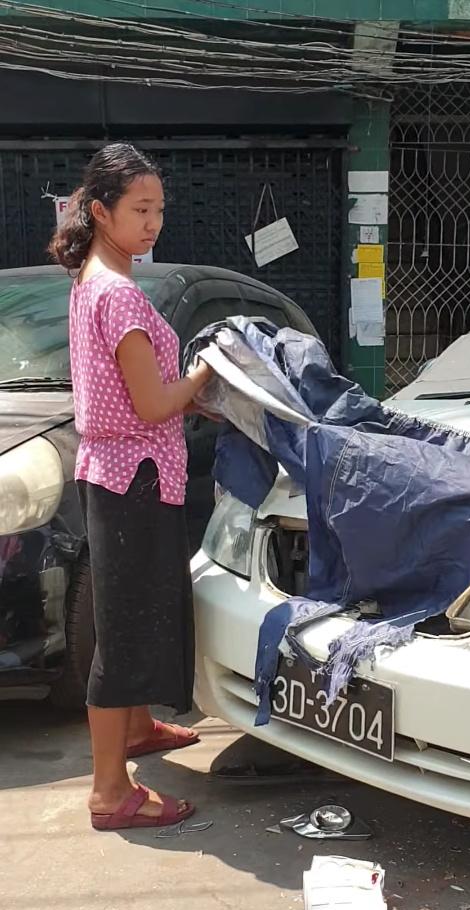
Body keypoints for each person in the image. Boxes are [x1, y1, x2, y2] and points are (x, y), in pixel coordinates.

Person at [49, 143, 212, 831]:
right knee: (121, 633)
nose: (152, 223)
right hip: (135, 482)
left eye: (159, 210)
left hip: (119, 477)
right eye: (140, 209)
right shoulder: (116, 294)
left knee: (136, 615)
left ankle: (140, 729)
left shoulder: (93, 281)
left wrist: (183, 394)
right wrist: (205, 375)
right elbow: (150, 406)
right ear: (99, 210)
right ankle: (110, 792)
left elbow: (138, 394)